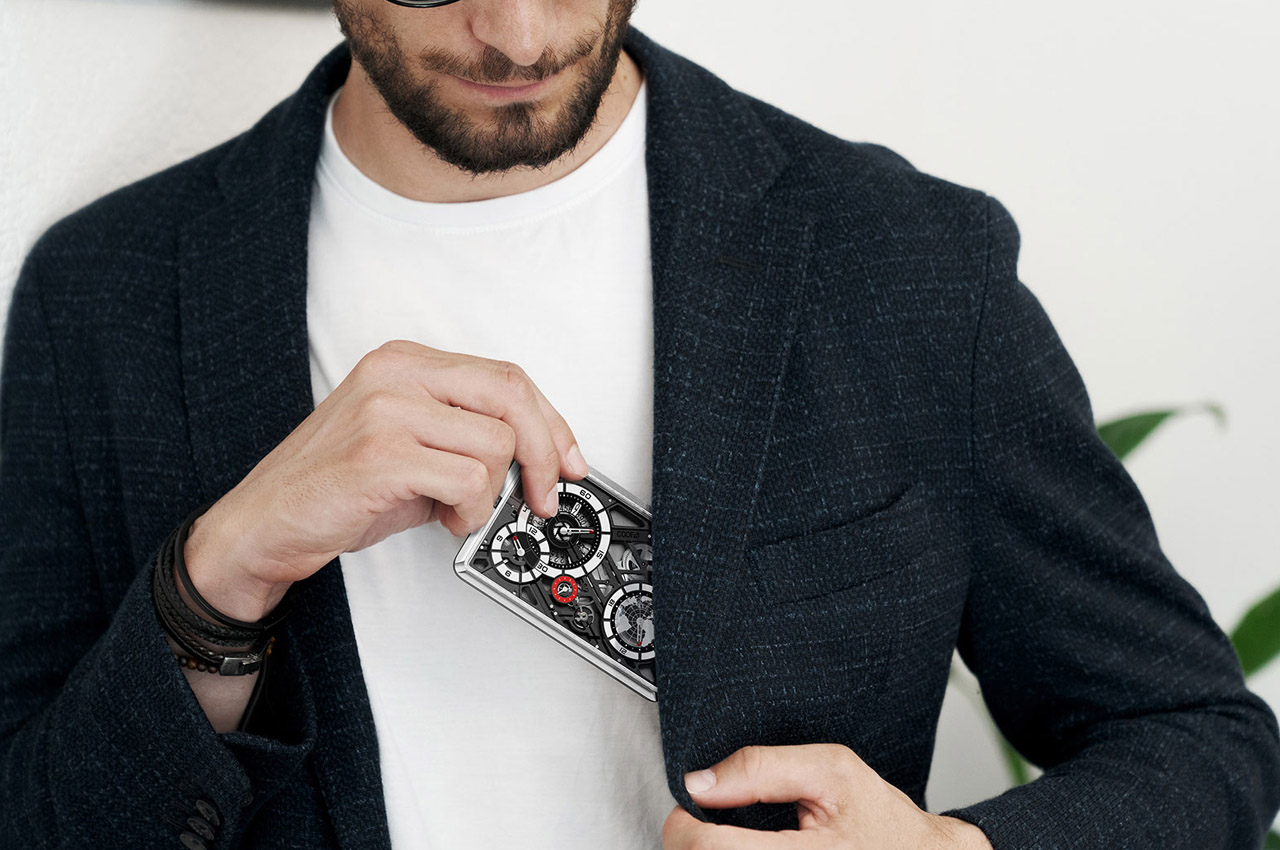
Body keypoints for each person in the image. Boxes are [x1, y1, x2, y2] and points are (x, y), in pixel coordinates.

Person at [1, 0, 1277, 847]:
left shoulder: (908, 263)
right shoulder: (105, 297)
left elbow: (1193, 738)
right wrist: (220, 575)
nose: (516, 35)